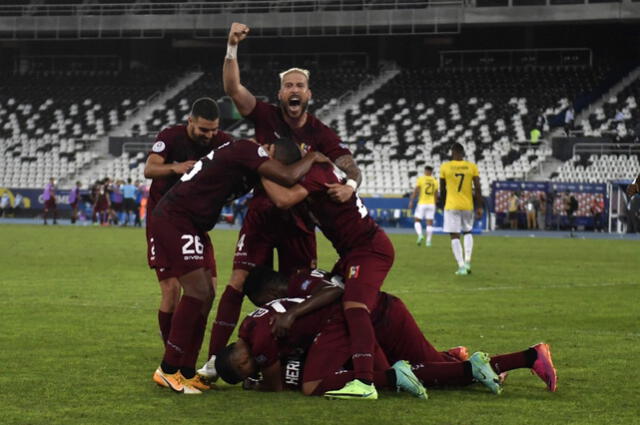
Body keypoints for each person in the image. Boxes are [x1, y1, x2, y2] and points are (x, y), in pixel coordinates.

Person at [202, 21, 363, 374]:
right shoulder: (265, 115)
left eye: (300, 85)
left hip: (300, 219)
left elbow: (351, 167)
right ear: (279, 94)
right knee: (238, 283)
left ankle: (291, 359)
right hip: (262, 211)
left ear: (309, 94)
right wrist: (231, 46)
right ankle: (216, 360)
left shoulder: (321, 133)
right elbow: (232, 88)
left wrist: (352, 186)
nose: (294, 89)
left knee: (301, 291)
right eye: (288, 85)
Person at [149, 136, 329, 395]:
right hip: (176, 218)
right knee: (197, 292)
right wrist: (312, 156)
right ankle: (167, 369)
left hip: (192, 224)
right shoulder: (249, 148)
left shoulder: (250, 161)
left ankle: (187, 371)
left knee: (207, 295)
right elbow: (288, 176)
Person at [214, 269, 558, 396]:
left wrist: (257, 382)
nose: (252, 365)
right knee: (426, 370)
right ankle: (465, 360)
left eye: (246, 365)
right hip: (371, 313)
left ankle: (517, 358)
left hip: (373, 318)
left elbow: (275, 382)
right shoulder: (265, 314)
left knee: (405, 375)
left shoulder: (261, 333)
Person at [258, 139, 395, 399]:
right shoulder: (311, 172)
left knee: (354, 307)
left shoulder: (312, 175)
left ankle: (365, 383)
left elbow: (283, 200)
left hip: (368, 248)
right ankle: (392, 371)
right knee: (335, 295)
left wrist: (259, 169)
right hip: (351, 253)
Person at [143, 98, 234, 356]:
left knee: (209, 292)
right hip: (163, 221)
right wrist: (176, 168)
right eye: (203, 129)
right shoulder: (171, 136)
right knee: (172, 290)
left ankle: (187, 349)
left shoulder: (223, 141)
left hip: (194, 222)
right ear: (190, 121)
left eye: (213, 129)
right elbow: (149, 169)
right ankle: (172, 355)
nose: (209, 135)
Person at [439, 143, 483, 275]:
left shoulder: (445, 167)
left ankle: (461, 266)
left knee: (454, 236)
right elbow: (478, 187)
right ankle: (468, 261)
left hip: (451, 205)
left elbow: (442, 189)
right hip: (467, 205)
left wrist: (443, 204)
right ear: (463, 153)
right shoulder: (471, 167)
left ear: (452, 152)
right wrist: (479, 206)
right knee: (468, 232)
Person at [408, 165, 438, 247]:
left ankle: (420, 235)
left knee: (417, 220)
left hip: (422, 203)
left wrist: (411, 201)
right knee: (429, 223)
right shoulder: (435, 180)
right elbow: (436, 194)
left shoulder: (421, 179)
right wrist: (435, 204)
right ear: (431, 172)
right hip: (431, 204)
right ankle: (428, 242)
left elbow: (416, 190)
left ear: (425, 171)